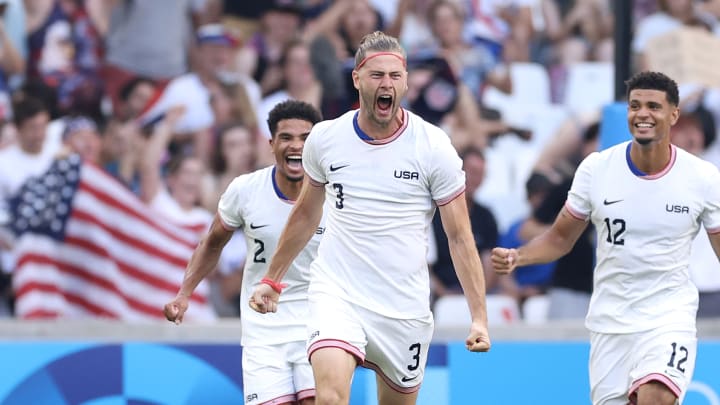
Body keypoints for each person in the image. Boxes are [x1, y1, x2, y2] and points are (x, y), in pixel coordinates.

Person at [249, 31, 490, 405]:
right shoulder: (326, 138)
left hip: (403, 306)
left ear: (406, 82)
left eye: (395, 76)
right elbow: (306, 213)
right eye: (377, 75)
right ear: (357, 79)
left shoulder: (433, 147)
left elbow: (459, 236)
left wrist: (479, 317)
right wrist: (272, 279)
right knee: (328, 398)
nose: (387, 84)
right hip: (338, 292)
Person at [491, 71, 720, 405]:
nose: (642, 114)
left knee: (656, 396)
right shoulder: (596, 170)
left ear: (674, 114)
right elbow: (560, 238)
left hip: (668, 317)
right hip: (611, 323)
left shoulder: (701, 177)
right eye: (635, 106)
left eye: (653, 106)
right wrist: (519, 256)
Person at [163, 100, 324, 405]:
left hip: (318, 323)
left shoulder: (336, 194)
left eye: (305, 138)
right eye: (286, 138)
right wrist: (184, 292)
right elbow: (212, 242)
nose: (296, 146)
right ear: (271, 144)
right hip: (263, 330)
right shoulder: (245, 190)